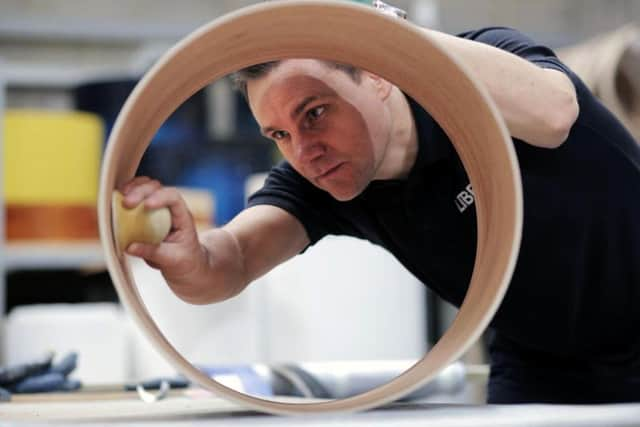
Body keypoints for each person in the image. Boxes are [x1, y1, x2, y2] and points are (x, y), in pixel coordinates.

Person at [120, 26, 640, 404]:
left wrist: (384, 34)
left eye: (315, 113)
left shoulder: (481, 71)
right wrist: (188, 256)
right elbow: (229, 260)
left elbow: (554, 116)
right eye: (279, 134)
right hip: (541, 364)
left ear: (378, 75)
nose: (304, 151)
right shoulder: (323, 182)